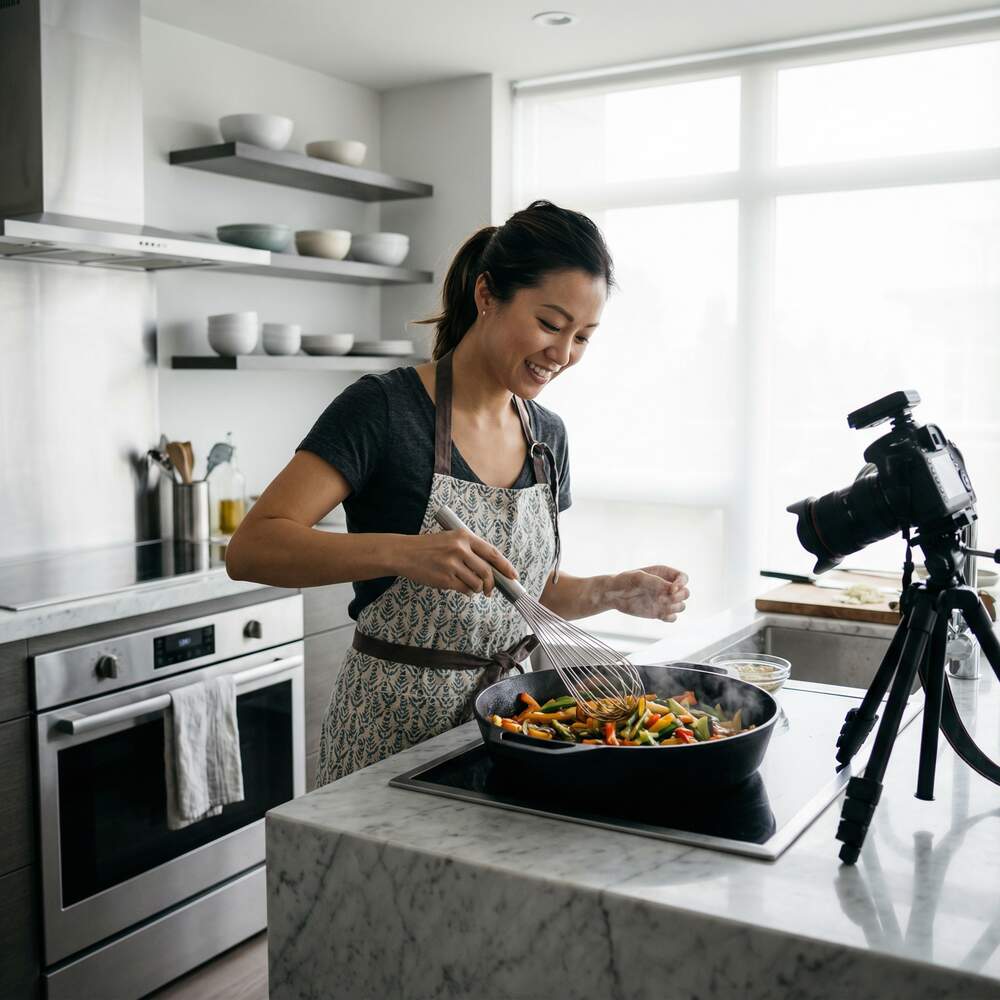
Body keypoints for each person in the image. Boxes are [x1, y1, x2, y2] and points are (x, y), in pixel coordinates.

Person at [226, 200, 690, 786]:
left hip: (512, 727)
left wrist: (614, 590)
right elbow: (251, 549)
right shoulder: (384, 409)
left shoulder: (548, 437)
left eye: (583, 337)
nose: (563, 354)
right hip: (387, 734)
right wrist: (405, 553)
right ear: (487, 295)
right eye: (550, 324)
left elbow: (523, 593)